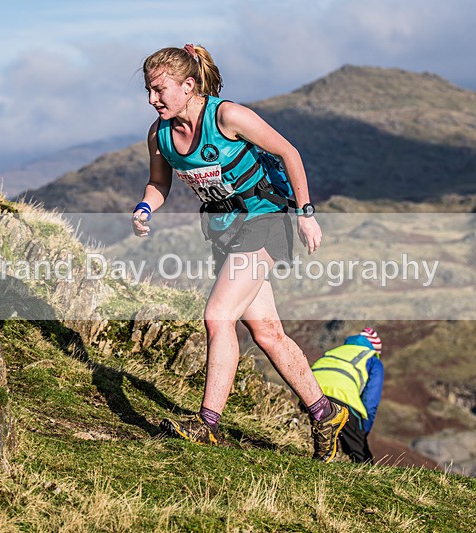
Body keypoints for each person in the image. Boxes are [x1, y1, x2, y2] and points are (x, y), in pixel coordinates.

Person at [132, 44, 348, 462]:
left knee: (217, 316)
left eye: (159, 90)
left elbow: (289, 153)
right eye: (148, 90)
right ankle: (325, 413)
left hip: (265, 222)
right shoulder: (159, 135)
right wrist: (145, 207)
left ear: (188, 85)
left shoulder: (227, 116)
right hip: (225, 233)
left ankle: (207, 424)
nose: (151, 100)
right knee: (267, 333)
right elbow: (159, 184)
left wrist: (306, 214)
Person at [310, 327, 384, 464]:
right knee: (362, 459)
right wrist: (361, 433)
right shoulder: (372, 359)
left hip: (310, 397)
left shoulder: (333, 352)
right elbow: (370, 402)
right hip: (342, 399)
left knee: (314, 440)